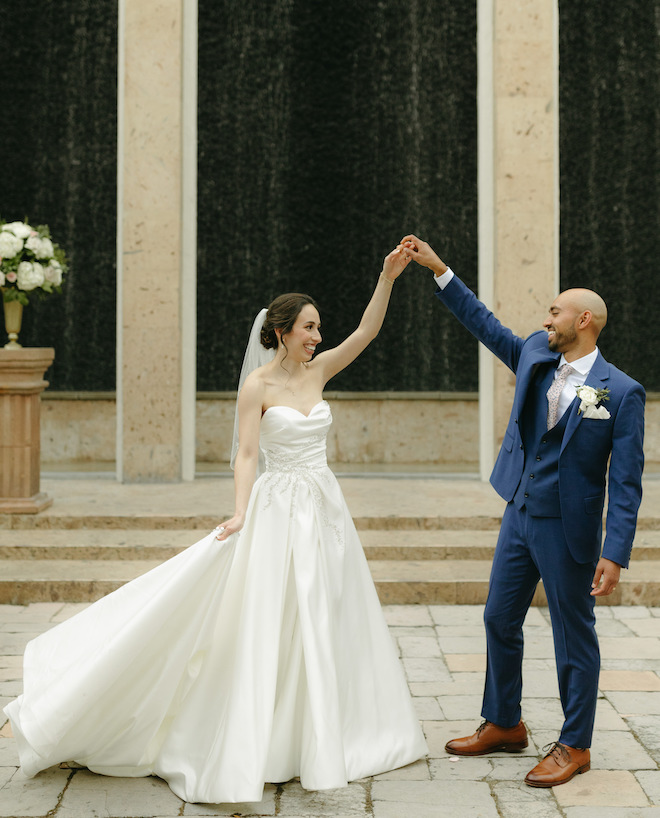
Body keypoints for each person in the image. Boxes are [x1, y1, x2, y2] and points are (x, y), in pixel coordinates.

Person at [4, 245, 427, 804]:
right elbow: (246, 455)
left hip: (324, 508)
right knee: (271, 615)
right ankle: (259, 733)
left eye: (319, 328)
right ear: (280, 332)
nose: (317, 337)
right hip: (277, 507)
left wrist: (387, 278)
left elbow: (368, 332)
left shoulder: (320, 369)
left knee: (326, 611)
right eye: (308, 327)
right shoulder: (258, 387)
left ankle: (322, 731)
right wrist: (240, 510)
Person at [401, 233, 645, 788]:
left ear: (584, 319)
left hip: (572, 530)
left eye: (556, 311)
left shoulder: (622, 392)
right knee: (497, 617)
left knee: (571, 634)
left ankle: (575, 745)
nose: (547, 317)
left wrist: (616, 551)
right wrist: (439, 269)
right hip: (520, 511)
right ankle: (505, 723)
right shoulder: (536, 352)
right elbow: (485, 324)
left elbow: (626, 481)